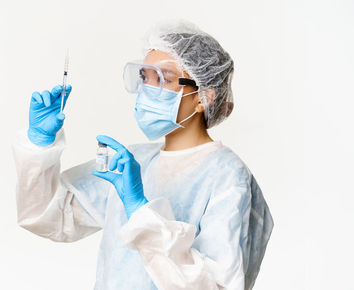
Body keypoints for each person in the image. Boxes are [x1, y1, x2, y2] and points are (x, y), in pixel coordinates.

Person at [12, 20, 273, 290]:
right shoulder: (135, 162)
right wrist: (39, 145)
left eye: (164, 79)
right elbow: (50, 217)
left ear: (202, 98)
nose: (148, 89)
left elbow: (217, 285)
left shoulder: (228, 176)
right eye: (145, 77)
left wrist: (140, 212)